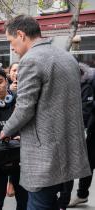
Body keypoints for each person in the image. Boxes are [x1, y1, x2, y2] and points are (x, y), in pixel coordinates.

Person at [0, 15, 91, 209]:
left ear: (21, 35)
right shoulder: (66, 57)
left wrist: (6, 129)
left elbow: (24, 108)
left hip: (44, 155)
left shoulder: (31, 60)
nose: (11, 47)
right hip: (68, 150)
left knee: (39, 204)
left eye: (11, 41)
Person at [0, 65, 28, 210]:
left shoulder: (19, 101)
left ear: (7, 80)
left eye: (0, 81)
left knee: (23, 199)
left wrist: (21, 138)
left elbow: (27, 125)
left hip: (20, 158)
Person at [67, 63, 95, 208]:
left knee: (88, 162)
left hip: (91, 128)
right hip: (89, 126)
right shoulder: (75, 79)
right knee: (88, 162)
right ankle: (82, 195)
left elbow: (85, 109)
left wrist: (81, 131)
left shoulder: (86, 82)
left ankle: (82, 194)